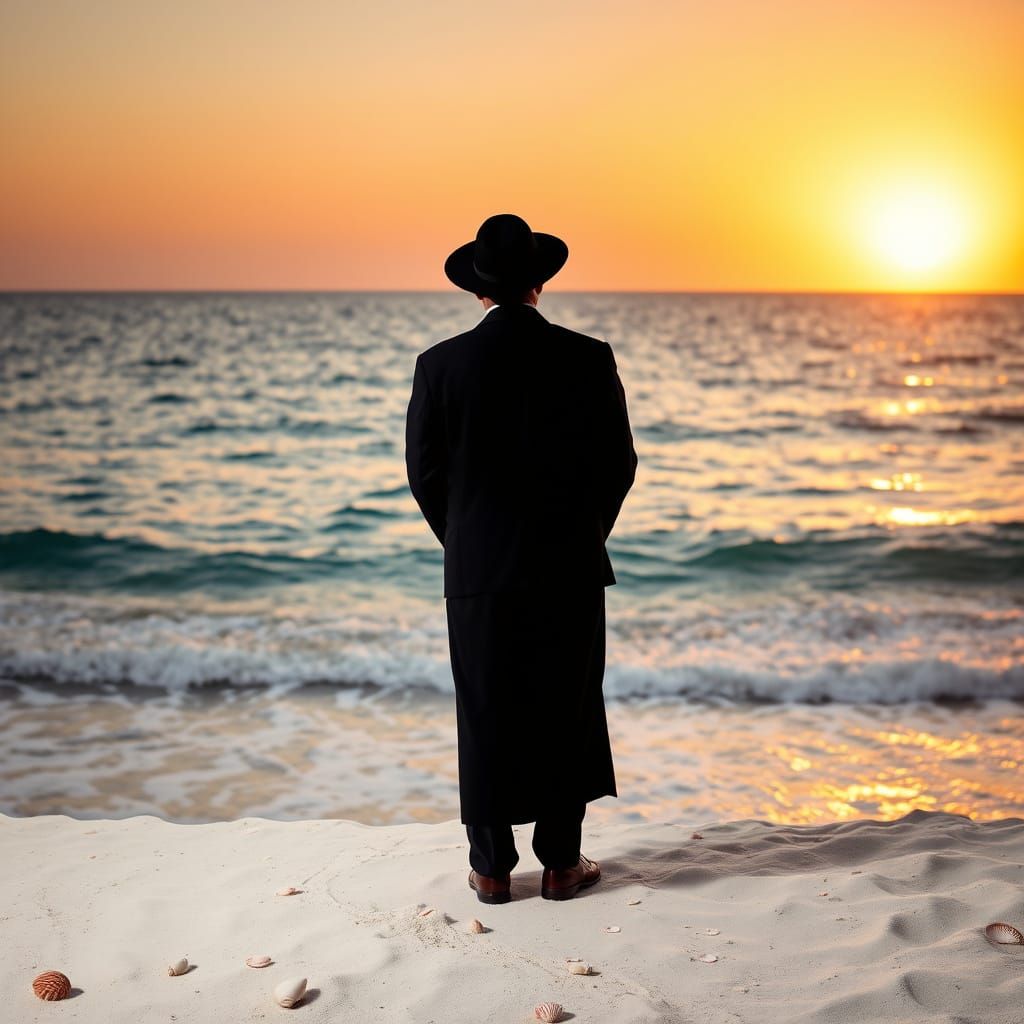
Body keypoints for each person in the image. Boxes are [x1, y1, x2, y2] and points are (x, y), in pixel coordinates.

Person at [405, 213, 638, 903]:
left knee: (485, 710)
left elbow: (424, 472)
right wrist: (585, 532)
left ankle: (491, 868)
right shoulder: (588, 355)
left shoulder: (439, 364)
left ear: (478, 289)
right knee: (565, 704)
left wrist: (465, 539)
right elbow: (618, 464)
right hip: (568, 562)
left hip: (477, 568)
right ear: (540, 282)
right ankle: (561, 864)